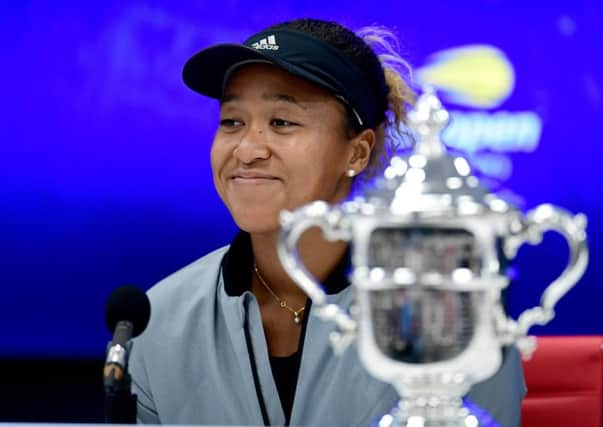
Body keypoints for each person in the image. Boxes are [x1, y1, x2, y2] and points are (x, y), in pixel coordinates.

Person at [129, 18, 525, 427]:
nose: (247, 150)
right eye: (232, 121)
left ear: (357, 152)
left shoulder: (447, 308)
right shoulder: (157, 318)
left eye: (282, 122)